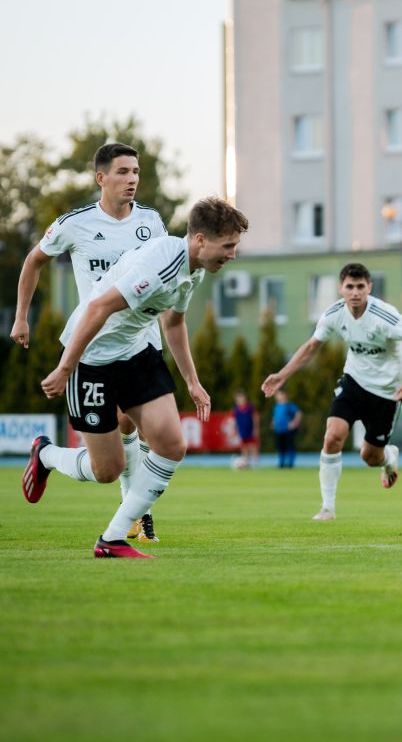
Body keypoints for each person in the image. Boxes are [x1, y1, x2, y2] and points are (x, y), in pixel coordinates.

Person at [23, 197, 248, 558]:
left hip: (134, 354)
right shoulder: (162, 263)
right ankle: (46, 455)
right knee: (108, 470)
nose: (233, 254)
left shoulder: (195, 269)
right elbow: (98, 307)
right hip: (91, 357)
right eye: (229, 246)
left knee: (172, 445)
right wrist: (66, 368)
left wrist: (192, 381)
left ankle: (111, 540)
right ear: (201, 239)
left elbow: (173, 322)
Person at [12, 142, 169, 543]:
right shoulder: (75, 224)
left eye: (135, 171)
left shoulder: (152, 222)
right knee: (105, 469)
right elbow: (33, 261)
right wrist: (20, 317)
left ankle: (138, 513)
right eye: (122, 172)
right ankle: (46, 455)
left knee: (144, 427)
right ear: (101, 178)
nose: (131, 179)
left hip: (140, 343)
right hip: (94, 348)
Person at [261, 263, 402, 521]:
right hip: (354, 382)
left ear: (369, 288)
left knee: (369, 457)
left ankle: (387, 458)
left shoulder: (384, 316)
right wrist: (282, 375)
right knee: (332, 437)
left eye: (360, 286)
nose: (355, 292)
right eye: (349, 287)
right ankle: (327, 507)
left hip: (387, 392)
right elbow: (310, 348)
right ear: (341, 288)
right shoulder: (334, 314)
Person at [271, 388, 302, 468]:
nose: (277, 396)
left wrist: (294, 423)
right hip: (278, 430)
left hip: (288, 430)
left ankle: (290, 463)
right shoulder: (276, 406)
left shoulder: (289, 405)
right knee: (280, 446)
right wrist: (273, 423)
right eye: (277, 394)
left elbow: (298, 413)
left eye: (279, 394)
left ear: (284, 395)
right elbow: (275, 416)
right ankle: (281, 463)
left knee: (290, 446)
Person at [231, 390, 260, 469]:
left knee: (253, 446)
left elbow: (255, 418)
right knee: (244, 446)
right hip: (242, 430)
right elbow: (234, 420)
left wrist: (256, 428)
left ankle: (256, 463)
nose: (240, 400)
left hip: (250, 429)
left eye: (242, 398)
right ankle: (246, 462)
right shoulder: (236, 409)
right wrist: (234, 430)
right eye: (238, 398)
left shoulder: (250, 407)